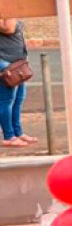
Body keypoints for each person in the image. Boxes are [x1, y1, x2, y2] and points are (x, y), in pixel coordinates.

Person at [0, 19, 36, 147]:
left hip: (18, 63)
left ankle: (18, 132)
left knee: (18, 99)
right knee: (6, 101)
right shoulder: (7, 15)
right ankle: (9, 136)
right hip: (4, 62)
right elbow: (9, 28)